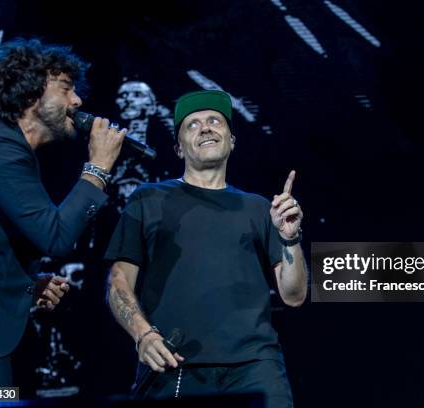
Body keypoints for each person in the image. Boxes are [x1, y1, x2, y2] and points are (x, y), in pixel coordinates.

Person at [106, 90, 307, 407]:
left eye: (215, 120)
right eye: (192, 124)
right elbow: (118, 282)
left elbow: (294, 295)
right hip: (175, 364)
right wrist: (143, 335)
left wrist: (291, 238)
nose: (206, 127)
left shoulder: (259, 208)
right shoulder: (147, 199)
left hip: (255, 366)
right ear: (178, 148)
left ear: (232, 140)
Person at [0, 38, 126, 386]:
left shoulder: (1, 146)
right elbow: (56, 238)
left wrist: (29, 286)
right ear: (30, 94)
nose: (77, 101)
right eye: (65, 89)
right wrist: (98, 169)